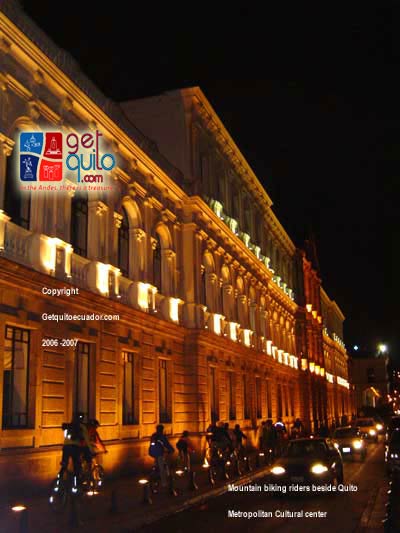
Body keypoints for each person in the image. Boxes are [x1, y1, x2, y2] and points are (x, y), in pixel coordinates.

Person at [60, 412, 93, 492]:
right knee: (77, 467)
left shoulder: (68, 426)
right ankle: (77, 486)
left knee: (64, 465)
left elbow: (65, 437)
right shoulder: (82, 427)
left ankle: (59, 482)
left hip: (66, 447)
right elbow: (87, 440)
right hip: (75, 448)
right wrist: (91, 450)